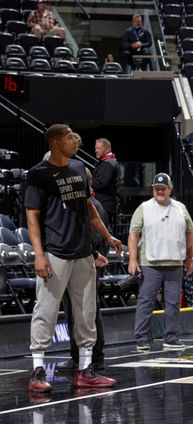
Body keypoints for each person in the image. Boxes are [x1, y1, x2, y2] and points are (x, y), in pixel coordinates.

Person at [25, 124, 121, 395]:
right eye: (69, 136)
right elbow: (32, 217)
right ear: (56, 142)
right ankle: (38, 369)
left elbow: (89, 208)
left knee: (86, 312)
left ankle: (86, 370)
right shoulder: (38, 174)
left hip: (83, 253)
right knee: (46, 310)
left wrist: (108, 236)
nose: (75, 140)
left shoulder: (79, 168)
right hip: (55, 251)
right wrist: (39, 255)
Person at [128, 173, 193, 352]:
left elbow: (191, 233)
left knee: (173, 303)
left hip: (175, 261)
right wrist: (133, 259)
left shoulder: (180, 208)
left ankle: (171, 338)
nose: (159, 191)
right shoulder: (144, 208)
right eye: (156, 188)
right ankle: (142, 338)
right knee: (146, 301)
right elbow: (133, 234)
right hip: (150, 262)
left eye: (163, 188)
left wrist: (190, 258)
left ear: (170, 189)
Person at [60, 189, 111, 372]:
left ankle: (94, 357)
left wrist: (93, 256)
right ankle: (79, 356)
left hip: (87, 263)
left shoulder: (93, 206)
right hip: (77, 263)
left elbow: (95, 239)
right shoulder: (84, 204)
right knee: (75, 312)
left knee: (88, 312)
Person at [92, 138, 119, 235]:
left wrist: (86, 183)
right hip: (104, 202)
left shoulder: (108, 163)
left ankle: (103, 250)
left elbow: (101, 183)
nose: (96, 150)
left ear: (107, 149)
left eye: (98, 148)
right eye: (95, 148)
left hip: (104, 203)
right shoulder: (108, 162)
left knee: (102, 232)